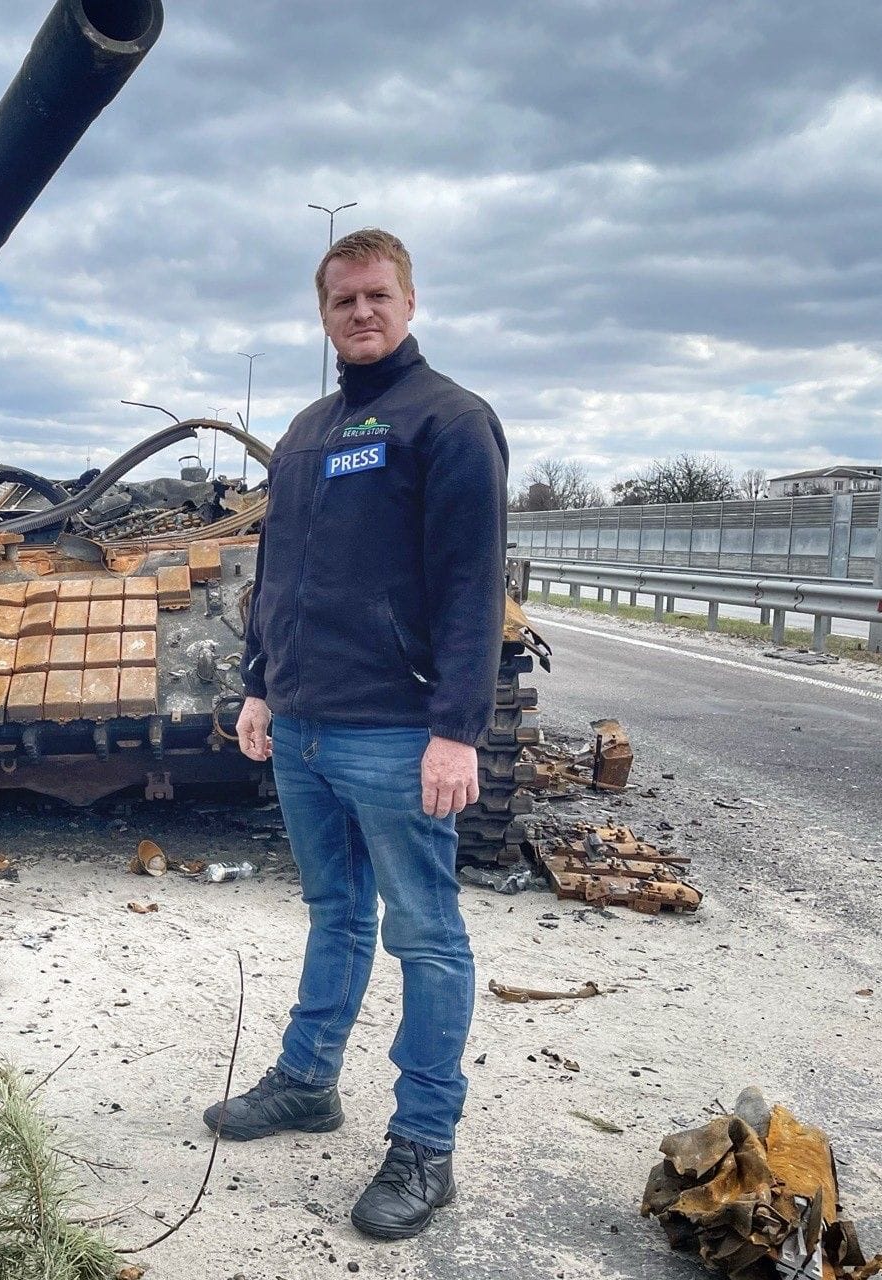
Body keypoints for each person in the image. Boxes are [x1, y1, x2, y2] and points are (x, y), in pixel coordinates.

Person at [203, 228, 508, 1241]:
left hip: (395, 730)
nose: (362, 312)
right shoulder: (304, 430)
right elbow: (276, 574)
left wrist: (457, 729)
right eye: (344, 300)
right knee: (335, 910)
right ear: (324, 314)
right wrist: (260, 688)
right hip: (301, 729)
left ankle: (425, 1144)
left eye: (378, 295)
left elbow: (474, 586)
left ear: (409, 302)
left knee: (426, 932)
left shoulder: (450, 422)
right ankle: (307, 1080)